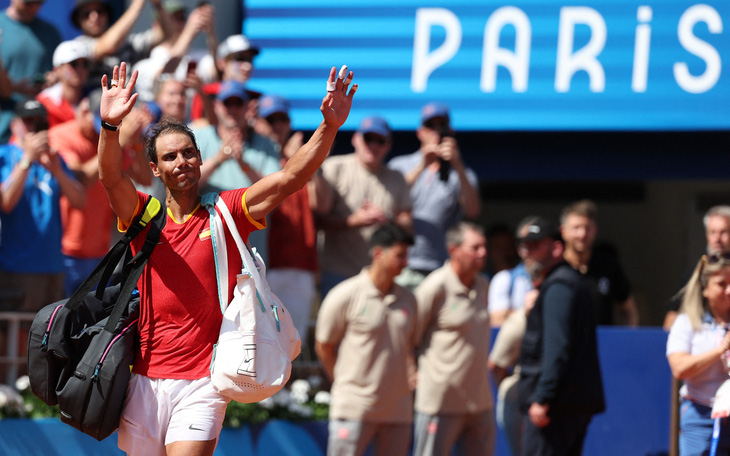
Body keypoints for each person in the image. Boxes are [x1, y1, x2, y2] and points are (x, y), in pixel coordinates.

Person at [98, 61, 355, 455]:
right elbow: (111, 178)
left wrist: (329, 127)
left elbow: (290, 180)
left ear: (201, 159)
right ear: (155, 168)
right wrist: (110, 128)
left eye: (188, 153)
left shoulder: (227, 210)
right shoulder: (143, 216)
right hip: (144, 381)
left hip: (204, 382)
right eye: (169, 157)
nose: (181, 162)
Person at [315, 223, 417, 456]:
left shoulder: (409, 299)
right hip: (354, 407)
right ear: (378, 254)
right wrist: (342, 382)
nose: (406, 262)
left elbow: (409, 344)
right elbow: (323, 345)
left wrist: (412, 370)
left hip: (398, 410)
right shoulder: (345, 295)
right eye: (400, 255)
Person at [517, 217, 605, 456]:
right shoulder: (564, 282)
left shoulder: (559, 287)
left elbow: (558, 348)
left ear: (556, 247)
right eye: (525, 246)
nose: (528, 252)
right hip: (567, 404)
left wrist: (542, 397)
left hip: (556, 408)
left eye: (535, 245)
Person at [49, 88, 151, 296]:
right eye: (99, 122)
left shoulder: (107, 138)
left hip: (98, 250)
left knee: (87, 322)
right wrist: (117, 142)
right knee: (58, 322)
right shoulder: (61, 136)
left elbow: (145, 178)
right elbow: (82, 179)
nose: (100, 130)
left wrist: (138, 142)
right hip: (62, 250)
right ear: (83, 110)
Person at [412, 222, 495, 456]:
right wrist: (412, 371)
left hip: (479, 402)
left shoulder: (484, 286)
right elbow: (409, 337)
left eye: (484, 247)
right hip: (440, 402)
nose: (483, 253)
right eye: (475, 248)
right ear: (454, 250)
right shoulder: (434, 287)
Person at [0, 99, 84, 312]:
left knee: (47, 338)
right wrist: (27, 158)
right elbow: (6, 202)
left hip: (53, 265)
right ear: (15, 125)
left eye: (40, 122)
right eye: (29, 122)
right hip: (17, 268)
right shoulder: (5, 155)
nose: (34, 128)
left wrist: (57, 171)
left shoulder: (54, 158)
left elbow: (80, 200)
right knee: (16, 339)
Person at [261, 94, 331, 345]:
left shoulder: (303, 162)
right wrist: (290, 160)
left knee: (293, 343)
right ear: (259, 123)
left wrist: (313, 163)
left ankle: (289, 387)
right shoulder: (260, 158)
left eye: (282, 119)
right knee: (264, 341)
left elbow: (322, 205)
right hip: (266, 262)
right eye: (270, 120)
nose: (277, 125)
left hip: (301, 262)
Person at [388, 102, 480, 291]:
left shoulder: (462, 172)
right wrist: (423, 164)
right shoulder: (401, 165)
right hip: (403, 264)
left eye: (442, 126)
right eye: (431, 126)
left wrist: (458, 166)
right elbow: (388, 201)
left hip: (440, 266)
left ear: (450, 131)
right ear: (420, 132)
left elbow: (473, 212)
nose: (436, 131)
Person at [318, 116, 412, 297]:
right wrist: (353, 221)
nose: (374, 145)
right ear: (355, 139)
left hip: (381, 275)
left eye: (380, 140)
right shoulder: (334, 168)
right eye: (368, 138)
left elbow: (409, 226)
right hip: (337, 272)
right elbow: (317, 219)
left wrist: (389, 220)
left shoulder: (396, 178)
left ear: (388, 145)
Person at [194, 79, 281, 261]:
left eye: (238, 103)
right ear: (217, 106)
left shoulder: (266, 143)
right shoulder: (197, 138)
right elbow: (185, 185)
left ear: (248, 106)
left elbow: (276, 192)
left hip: (251, 252)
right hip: (206, 249)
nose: (233, 109)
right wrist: (218, 159)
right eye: (227, 103)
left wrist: (244, 164)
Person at [667, 253, 730, 455]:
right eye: (722, 284)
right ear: (705, 289)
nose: (729, 290)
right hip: (698, 415)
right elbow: (679, 368)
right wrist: (721, 349)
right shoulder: (686, 322)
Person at [560, 199, 638, 326]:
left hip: (602, 343)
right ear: (563, 231)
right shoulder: (555, 267)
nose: (582, 234)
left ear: (595, 230)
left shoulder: (607, 265)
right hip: (564, 343)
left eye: (587, 228)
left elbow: (628, 308)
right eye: (576, 228)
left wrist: (628, 338)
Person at [0, 0, 62, 143]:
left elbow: (61, 72)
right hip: (5, 124)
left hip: (41, 122)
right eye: (28, 2)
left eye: (38, 2)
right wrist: (14, 88)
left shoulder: (50, 32)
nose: (33, 6)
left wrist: (54, 78)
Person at [70, 0, 173, 87]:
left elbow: (167, 34)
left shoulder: (127, 42)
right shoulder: (78, 46)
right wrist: (137, 4)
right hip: (100, 103)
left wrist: (158, 5)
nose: (94, 17)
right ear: (79, 20)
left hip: (131, 100)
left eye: (99, 11)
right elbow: (107, 46)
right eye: (86, 13)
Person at [664, 205, 730, 330]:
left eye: (723, 232)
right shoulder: (695, 271)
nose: (717, 238)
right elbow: (672, 316)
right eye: (712, 232)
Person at [190, 34, 261, 122]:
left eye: (250, 60)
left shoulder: (258, 99)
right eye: (240, 59)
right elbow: (198, 129)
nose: (248, 66)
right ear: (221, 63)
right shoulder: (206, 93)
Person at [487, 216, 538, 327]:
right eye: (525, 244)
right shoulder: (502, 278)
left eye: (536, 244)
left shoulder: (556, 277)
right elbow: (497, 318)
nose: (504, 252)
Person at [36, 40, 91, 129]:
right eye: (74, 64)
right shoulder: (44, 102)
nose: (80, 69)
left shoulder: (96, 98)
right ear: (58, 69)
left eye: (85, 64)